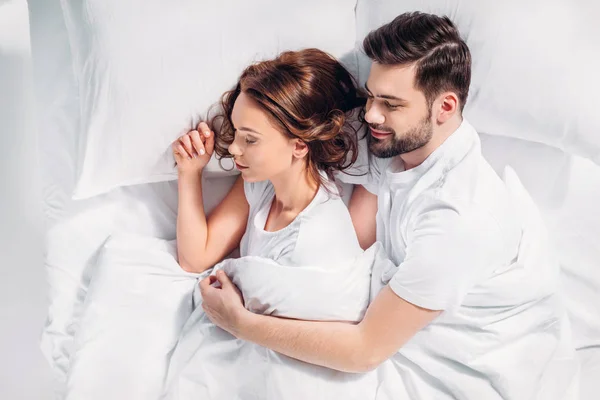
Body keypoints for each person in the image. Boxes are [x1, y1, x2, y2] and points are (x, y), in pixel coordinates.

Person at [199, 12, 579, 400]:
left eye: (391, 104)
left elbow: (365, 349)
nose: (370, 115)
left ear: (444, 108)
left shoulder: (457, 223)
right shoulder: (394, 141)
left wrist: (239, 322)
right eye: (370, 95)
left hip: (472, 365)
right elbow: (295, 134)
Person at [172, 48, 365, 274]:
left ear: (299, 146)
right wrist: (189, 172)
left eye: (250, 139)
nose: (233, 147)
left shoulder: (309, 241)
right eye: (236, 131)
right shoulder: (263, 183)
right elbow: (195, 259)